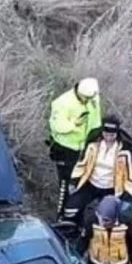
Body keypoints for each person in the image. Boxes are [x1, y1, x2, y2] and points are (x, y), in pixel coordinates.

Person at [62, 114, 132, 227]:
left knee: (106, 216)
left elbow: (131, 174)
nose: (109, 137)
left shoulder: (125, 150)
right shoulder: (93, 145)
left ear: (116, 134)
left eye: (112, 135)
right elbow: (82, 163)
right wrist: (74, 180)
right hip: (91, 183)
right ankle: (73, 231)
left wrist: (128, 193)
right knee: (70, 209)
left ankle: (93, 234)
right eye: (106, 134)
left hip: (111, 188)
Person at [47, 78, 102, 219]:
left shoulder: (93, 98)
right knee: (65, 184)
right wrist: (74, 124)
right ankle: (61, 217)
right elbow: (56, 126)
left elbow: (96, 120)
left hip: (87, 148)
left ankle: (77, 215)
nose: (88, 100)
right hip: (67, 150)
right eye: (86, 98)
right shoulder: (62, 103)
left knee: (84, 182)